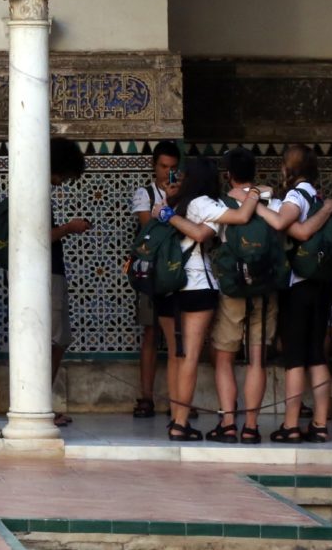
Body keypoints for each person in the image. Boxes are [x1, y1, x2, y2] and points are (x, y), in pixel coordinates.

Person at [160, 157, 260, 441]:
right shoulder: (202, 203)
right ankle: (180, 423)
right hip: (197, 285)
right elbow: (238, 218)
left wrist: (169, 212)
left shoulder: (176, 203)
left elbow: (196, 232)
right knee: (190, 357)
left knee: (177, 356)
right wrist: (253, 194)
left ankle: (176, 419)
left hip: (171, 284)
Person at [204, 146, 278, 446]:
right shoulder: (271, 200)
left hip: (232, 290)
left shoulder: (221, 203)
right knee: (256, 360)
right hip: (264, 287)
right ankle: (251, 427)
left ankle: (229, 423)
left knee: (224, 358)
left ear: (227, 174)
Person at [272, 143, 332, 444]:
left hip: (299, 284)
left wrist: (260, 205)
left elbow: (293, 229)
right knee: (317, 354)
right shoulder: (318, 196)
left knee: (295, 356)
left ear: (288, 168)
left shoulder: (296, 195)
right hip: (323, 284)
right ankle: (319, 424)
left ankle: (290, 425)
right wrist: (326, 209)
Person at [129, 140, 182, 418]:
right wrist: (168, 203)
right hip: (150, 273)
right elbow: (147, 226)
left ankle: (179, 401)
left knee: (178, 337)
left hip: (176, 272)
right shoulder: (144, 193)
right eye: (163, 167)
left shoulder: (186, 194)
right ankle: (146, 397)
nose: (167, 173)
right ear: (154, 166)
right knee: (150, 334)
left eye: (173, 168)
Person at [48, 137, 90, 427]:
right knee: (51, 340)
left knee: (58, 339)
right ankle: (38, 405)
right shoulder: (35, 191)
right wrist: (69, 228)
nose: (64, 183)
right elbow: (38, 234)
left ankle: (40, 401)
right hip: (46, 276)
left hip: (53, 274)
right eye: (65, 175)